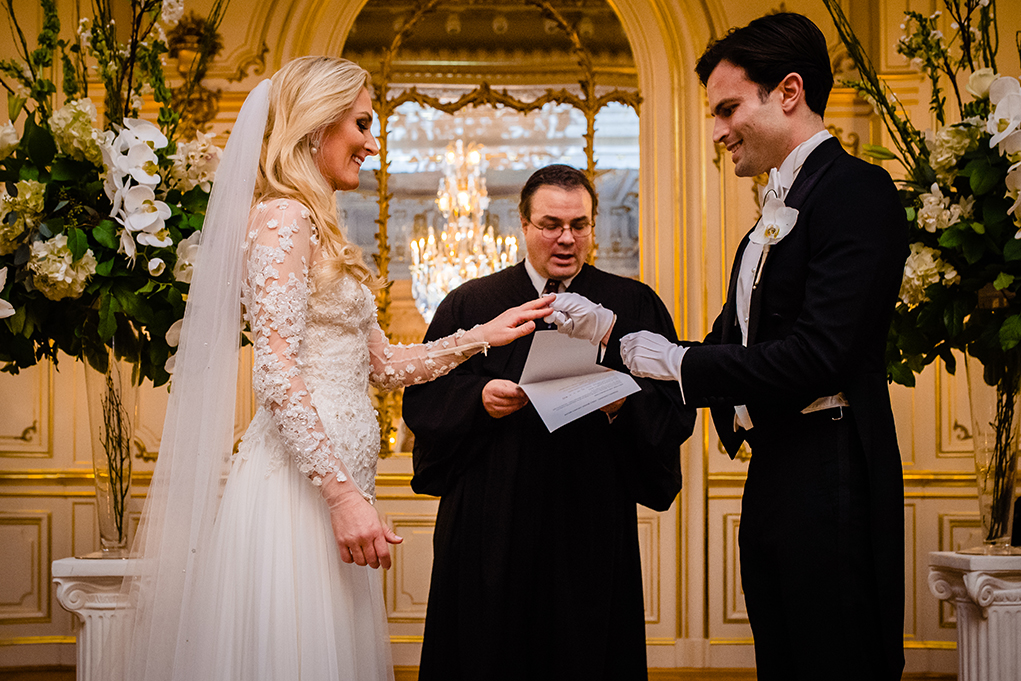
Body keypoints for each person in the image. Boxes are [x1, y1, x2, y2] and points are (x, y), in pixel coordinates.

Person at [114, 57, 553, 681]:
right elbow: (277, 372)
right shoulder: (282, 218)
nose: (373, 143)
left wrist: (480, 335)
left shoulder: (320, 223)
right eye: (363, 124)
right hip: (299, 491)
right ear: (318, 125)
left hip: (338, 492)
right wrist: (343, 497)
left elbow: (384, 365)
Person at [608, 13, 906, 681]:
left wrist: (660, 357)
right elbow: (723, 347)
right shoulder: (768, 218)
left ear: (789, 92)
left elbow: (816, 355)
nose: (716, 130)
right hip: (776, 470)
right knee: (783, 658)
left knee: (834, 658)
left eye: (727, 108)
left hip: (830, 472)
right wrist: (612, 342)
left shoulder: (855, 191)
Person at [402, 164, 695, 681]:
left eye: (579, 225)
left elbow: (675, 407)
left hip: (590, 516)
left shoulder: (632, 304)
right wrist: (479, 397)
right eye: (551, 224)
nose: (566, 238)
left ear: (593, 227)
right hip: (489, 516)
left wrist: (621, 403)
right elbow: (422, 397)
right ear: (523, 225)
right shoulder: (471, 303)